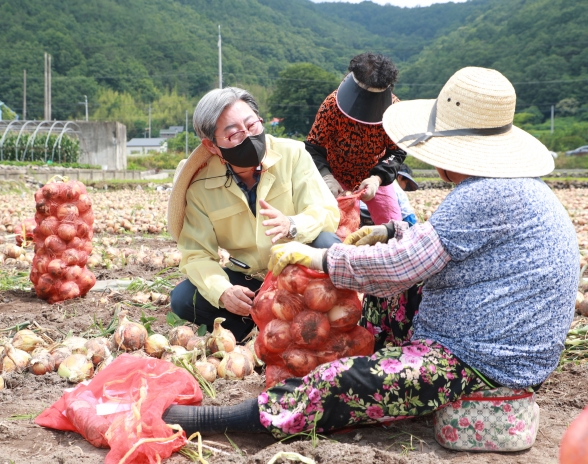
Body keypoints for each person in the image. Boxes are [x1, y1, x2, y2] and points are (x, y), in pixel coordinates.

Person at [162, 67, 579, 439]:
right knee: (382, 294)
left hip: (480, 359)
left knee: (342, 382)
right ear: (213, 145)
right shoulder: (505, 185)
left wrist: (319, 258)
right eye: (233, 133)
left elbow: (400, 266)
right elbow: (444, 239)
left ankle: (241, 418)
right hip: (500, 341)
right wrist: (389, 229)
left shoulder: (482, 195)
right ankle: (371, 343)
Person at [167, 87, 341, 341]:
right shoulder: (201, 187)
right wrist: (224, 291)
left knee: (327, 244)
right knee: (183, 299)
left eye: (252, 125)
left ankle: (317, 325)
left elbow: (326, 212)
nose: (248, 136)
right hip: (251, 280)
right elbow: (196, 255)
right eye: (234, 133)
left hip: (299, 270)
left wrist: (293, 225)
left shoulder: (293, 155)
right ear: (212, 146)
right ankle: (255, 331)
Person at [305, 52, 406, 225]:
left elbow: (397, 151)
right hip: (336, 174)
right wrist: (326, 176)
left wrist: (377, 179)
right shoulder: (331, 106)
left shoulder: (393, 111)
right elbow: (314, 146)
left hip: (373, 175)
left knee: (392, 225)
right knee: (335, 225)